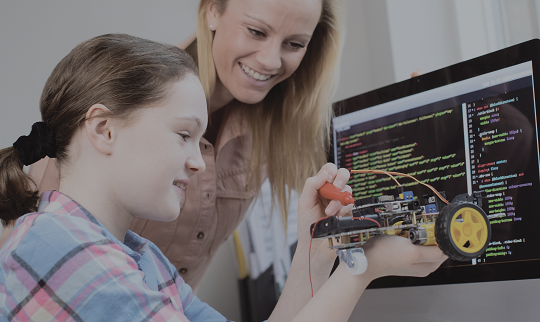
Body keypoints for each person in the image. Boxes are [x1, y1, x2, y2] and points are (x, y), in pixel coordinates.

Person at [0, 34, 446, 322]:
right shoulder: (63, 250)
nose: (198, 162)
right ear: (103, 129)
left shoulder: (140, 258)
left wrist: (318, 248)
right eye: (183, 135)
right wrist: (361, 271)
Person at [21, 0, 345, 289]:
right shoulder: (127, 101)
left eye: (294, 44)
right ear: (213, 11)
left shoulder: (273, 123)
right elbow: (39, 255)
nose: (271, 61)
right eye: (257, 32)